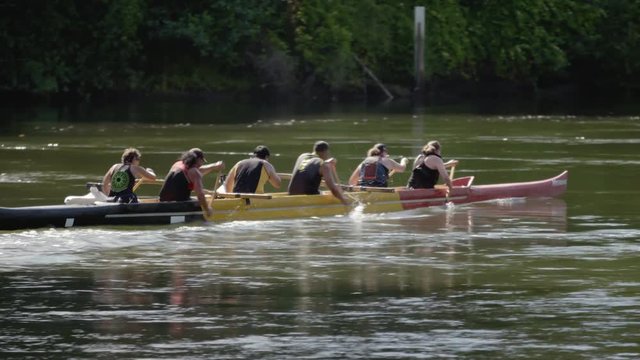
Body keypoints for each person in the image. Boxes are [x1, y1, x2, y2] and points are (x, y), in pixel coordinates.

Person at [158, 148, 225, 217]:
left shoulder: (177, 164)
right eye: (202, 161)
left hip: (162, 201)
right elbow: (200, 195)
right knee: (200, 203)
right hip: (178, 205)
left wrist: (214, 166)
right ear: (198, 160)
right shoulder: (194, 173)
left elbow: (198, 170)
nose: (202, 164)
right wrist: (207, 210)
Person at [288, 141, 350, 205]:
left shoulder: (302, 156)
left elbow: (312, 164)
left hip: (291, 194)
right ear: (326, 152)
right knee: (332, 195)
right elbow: (333, 189)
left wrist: (327, 162)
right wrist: (344, 200)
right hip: (307, 198)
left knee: (324, 193)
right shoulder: (323, 165)